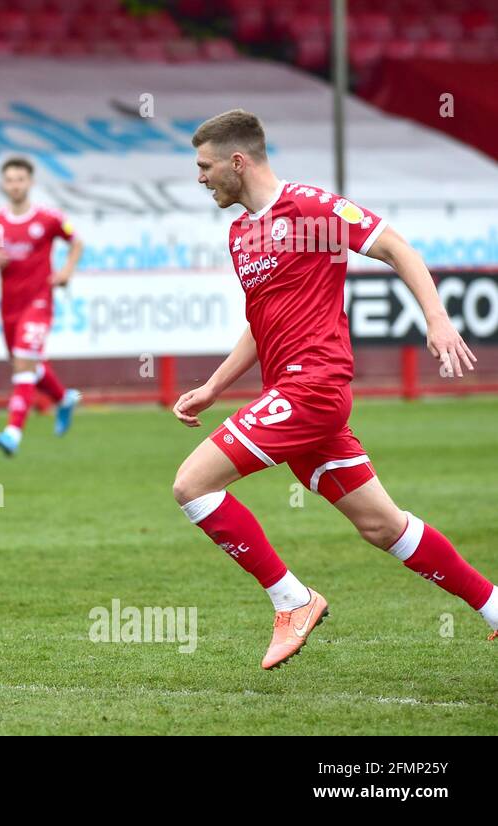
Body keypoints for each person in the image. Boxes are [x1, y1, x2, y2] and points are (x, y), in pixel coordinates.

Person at [172, 109, 497, 669]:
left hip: (313, 390)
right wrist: (213, 386)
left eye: (205, 166)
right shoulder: (241, 233)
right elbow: (260, 320)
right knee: (382, 525)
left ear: (238, 161)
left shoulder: (312, 209)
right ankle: (495, 607)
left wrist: (437, 318)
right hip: (296, 397)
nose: (200, 177)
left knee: (192, 485)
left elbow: (397, 247)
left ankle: (292, 600)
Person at [0, 157, 85, 457]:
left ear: (30, 182)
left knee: (24, 362)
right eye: (10, 180)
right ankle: (63, 399)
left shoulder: (49, 218)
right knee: (27, 364)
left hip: (39, 302)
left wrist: (65, 272)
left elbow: (76, 242)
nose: (15, 185)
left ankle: (13, 433)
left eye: (20, 179)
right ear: (3, 184)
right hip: (10, 306)